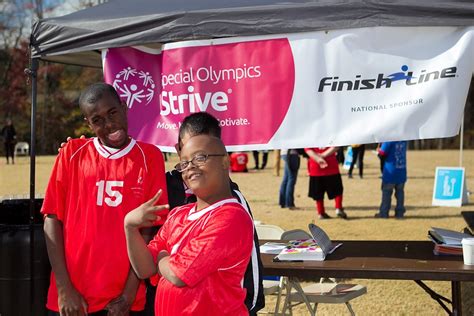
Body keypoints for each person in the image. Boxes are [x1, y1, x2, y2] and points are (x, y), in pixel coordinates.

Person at [41, 83, 168, 315]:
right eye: (97, 120)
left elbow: (149, 231)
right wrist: (63, 288)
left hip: (122, 301)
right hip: (73, 298)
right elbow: (51, 220)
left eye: (112, 113)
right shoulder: (71, 153)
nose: (109, 124)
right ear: (87, 123)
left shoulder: (150, 157)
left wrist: (128, 296)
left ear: (124, 106)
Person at [125, 134, 254, 315]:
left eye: (200, 157)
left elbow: (179, 275)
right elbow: (145, 268)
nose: (190, 166)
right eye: (184, 163)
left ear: (225, 161)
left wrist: (162, 258)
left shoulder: (231, 217)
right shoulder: (178, 214)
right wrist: (130, 227)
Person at [164, 112, 265, 315]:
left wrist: (250, 306)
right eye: (190, 152)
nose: (195, 163)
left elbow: (251, 262)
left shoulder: (232, 200)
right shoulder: (163, 187)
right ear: (178, 149)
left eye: (204, 155)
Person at [305, 147, 347, 220]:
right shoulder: (331, 134)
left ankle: (321, 212)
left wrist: (318, 158)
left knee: (318, 192)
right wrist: (323, 155)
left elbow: (307, 149)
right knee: (337, 189)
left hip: (315, 166)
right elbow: (336, 145)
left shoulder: (310, 135)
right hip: (331, 165)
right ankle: (338, 208)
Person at [375, 141, 407, 218]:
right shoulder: (404, 140)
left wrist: (378, 150)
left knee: (386, 193)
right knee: (400, 194)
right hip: (401, 171)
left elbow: (382, 154)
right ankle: (400, 213)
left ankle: (384, 213)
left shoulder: (388, 140)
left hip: (390, 171)